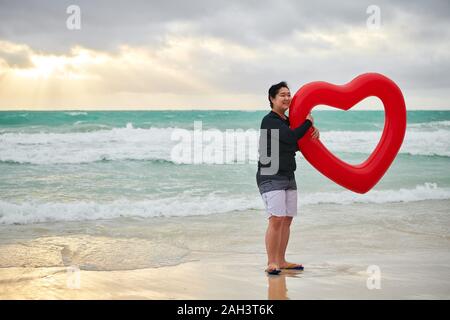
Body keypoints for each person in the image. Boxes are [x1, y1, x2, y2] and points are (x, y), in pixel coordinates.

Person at [256, 81, 319, 275]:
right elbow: (291, 137)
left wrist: (312, 133)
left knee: (287, 219)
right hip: (270, 175)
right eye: (282, 95)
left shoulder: (286, 122)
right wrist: (308, 122)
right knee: (276, 219)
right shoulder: (270, 120)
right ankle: (271, 262)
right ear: (272, 99)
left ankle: (281, 260)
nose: (286, 98)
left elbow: (294, 144)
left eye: (288, 94)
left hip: (288, 174)